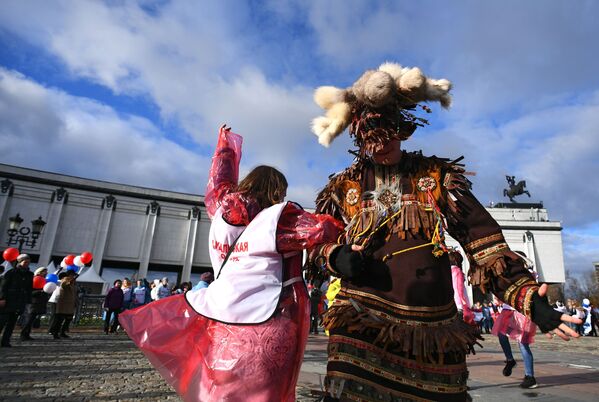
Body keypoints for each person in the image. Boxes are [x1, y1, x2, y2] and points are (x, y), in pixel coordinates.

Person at [306, 62, 582, 401]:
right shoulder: (341, 188)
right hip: (360, 326)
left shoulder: (436, 176)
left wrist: (526, 299)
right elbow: (315, 246)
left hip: (432, 333)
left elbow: (484, 246)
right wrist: (335, 256)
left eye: (390, 130)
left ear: (403, 128)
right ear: (359, 137)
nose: (383, 144)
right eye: (373, 136)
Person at [119, 125, 343, 402]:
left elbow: (219, 180)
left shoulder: (220, 210)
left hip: (221, 317)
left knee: (222, 389)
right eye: (281, 192)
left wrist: (224, 147)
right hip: (266, 318)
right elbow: (321, 230)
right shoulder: (276, 221)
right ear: (275, 191)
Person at [493, 303, 538, 388]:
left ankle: (530, 377)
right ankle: (510, 360)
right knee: (501, 334)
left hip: (522, 311)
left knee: (523, 343)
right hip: (508, 311)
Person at [0, 254, 33, 347]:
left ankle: (5, 341)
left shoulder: (30, 274)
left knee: (11, 323)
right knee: (2, 321)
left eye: (28, 262)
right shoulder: (11, 272)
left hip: (20, 301)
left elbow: (29, 288)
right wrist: (2, 298)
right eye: (25, 262)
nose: (27, 263)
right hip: (9, 300)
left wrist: (28, 301)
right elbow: (3, 286)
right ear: (20, 262)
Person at [20, 267, 49, 340]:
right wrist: (40, 291)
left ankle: (27, 334)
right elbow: (30, 292)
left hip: (38, 303)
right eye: (44, 272)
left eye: (46, 272)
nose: (46, 273)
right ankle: (23, 334)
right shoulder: (35, 279)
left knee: (31, 320)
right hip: (32, 303)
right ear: (39, 272)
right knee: (28, 320)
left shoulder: (45, 281)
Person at [50, 270, 77, 339]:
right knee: (60, 319)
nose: (73, 276)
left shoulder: (73, 282)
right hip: (63, 304)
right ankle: (55, 333)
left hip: (70, 304)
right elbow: (64, 284)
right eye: (72, 275)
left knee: (69, 318)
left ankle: (62, 332)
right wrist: (70, 281)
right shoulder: (65, 280)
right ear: (69, 275)